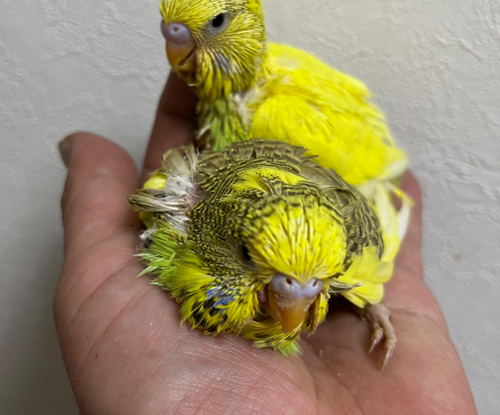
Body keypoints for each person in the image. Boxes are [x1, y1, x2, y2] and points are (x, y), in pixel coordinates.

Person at [54, 72, 477, 415]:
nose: (294, 304)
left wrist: (369, 303)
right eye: (248, 255)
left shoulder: (351, 246)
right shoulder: (179, 200)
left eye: (317, 282)